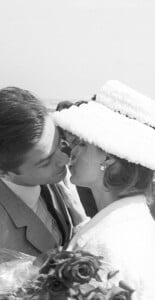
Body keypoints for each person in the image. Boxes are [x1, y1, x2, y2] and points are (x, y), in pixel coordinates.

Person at [52, 80, 155, 300]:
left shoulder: (107, 242)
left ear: (108, 157)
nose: (73, 151)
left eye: (83, 143)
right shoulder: (133, 221)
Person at [0, 87, 88, 256]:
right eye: (46, 161)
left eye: (60, 144)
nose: (64, 160)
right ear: (5, 172)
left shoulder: (61, 179)